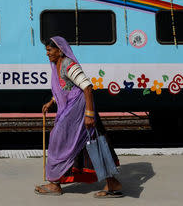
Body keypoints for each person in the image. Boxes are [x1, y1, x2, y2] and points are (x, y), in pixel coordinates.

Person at [34, 36, 123, 198]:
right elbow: (66, 87)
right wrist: (52, 101)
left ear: (59, 50)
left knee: (58, 141)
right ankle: (112, 183)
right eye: (46, 50)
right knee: (90, 144)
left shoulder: (69, 64)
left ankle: (55, 184)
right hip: (71, 110)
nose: (47, 54)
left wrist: (89, 114)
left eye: (49, 50)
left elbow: (87, 87)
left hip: (80, 110)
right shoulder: (57, 65)